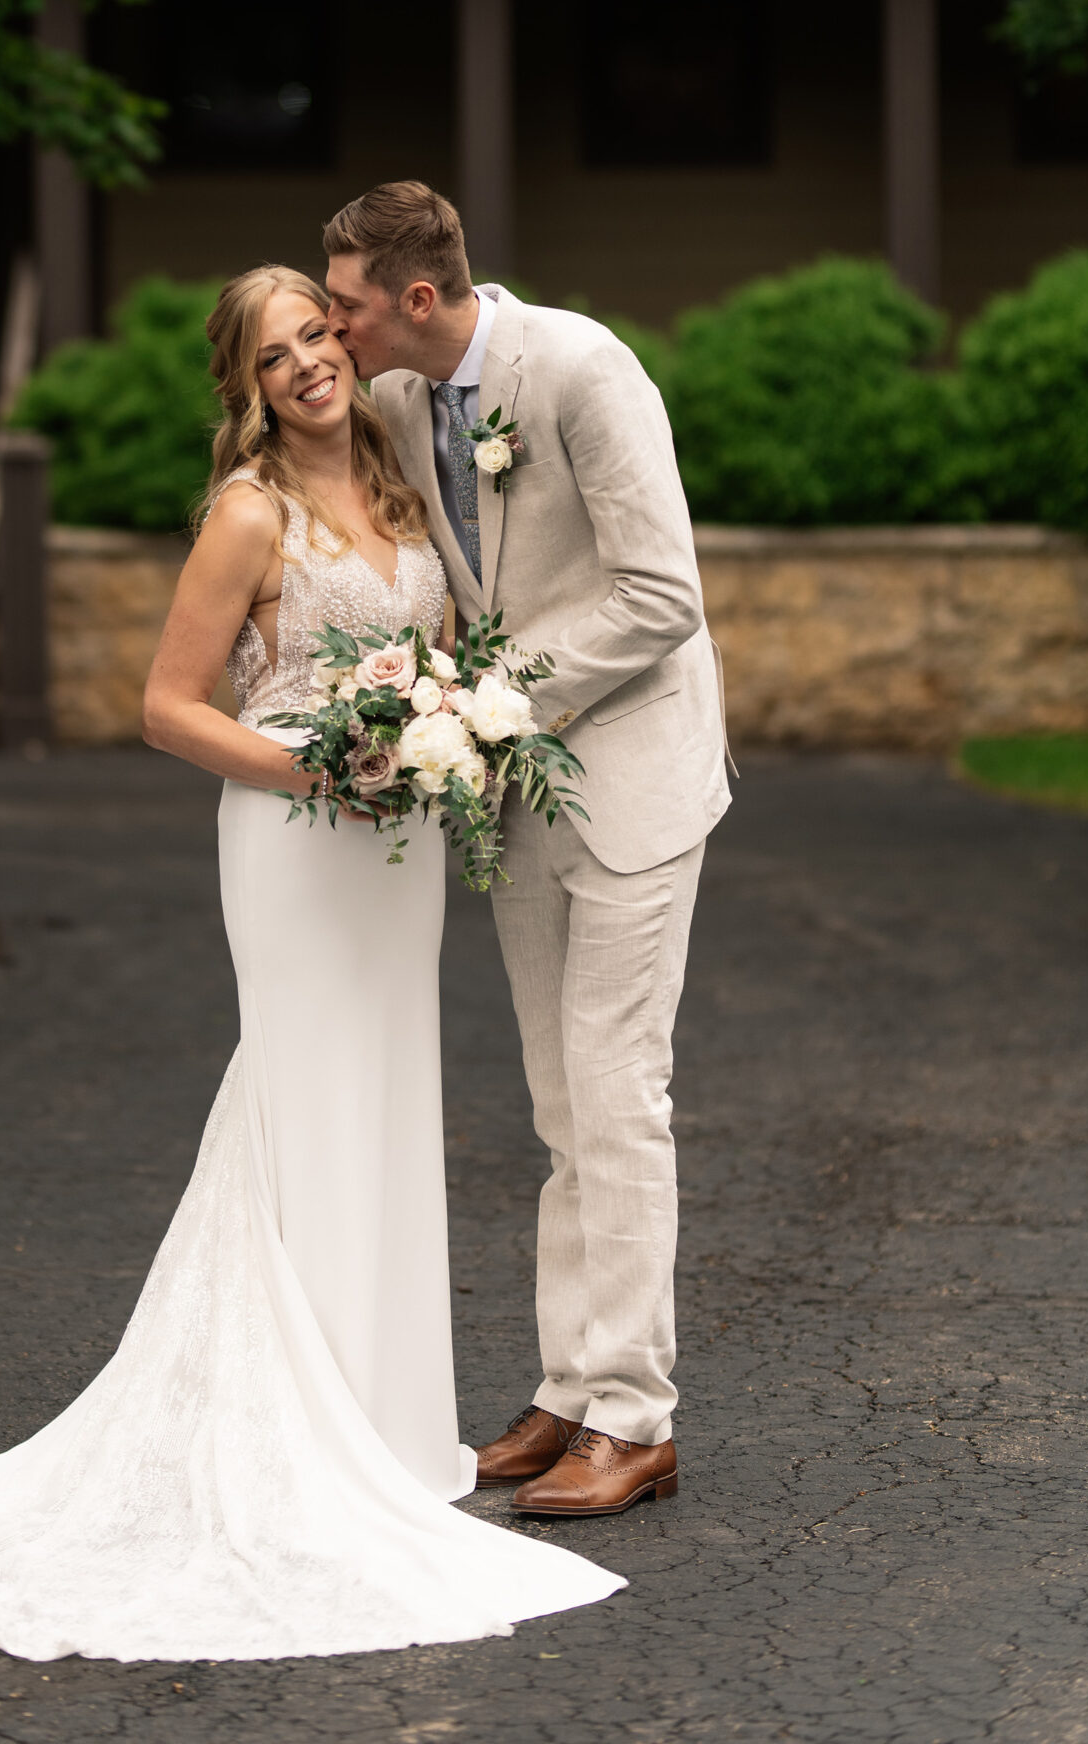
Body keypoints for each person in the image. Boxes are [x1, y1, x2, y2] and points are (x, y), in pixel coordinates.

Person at [0, 264, 617, 1661]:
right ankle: (291, 1441)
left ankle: (384, 1428)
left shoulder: (399, 483)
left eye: (318, 333)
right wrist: (324, 771)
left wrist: (435, 732)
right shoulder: (247, 513)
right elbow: (163, 708)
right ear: (247, 386)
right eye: (276, 355)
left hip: (400, 853)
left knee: (389, 1105)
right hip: (297, 838)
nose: (310, 363)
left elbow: (443, 653)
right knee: (305, 1102)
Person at [324, 185, 731, 1520]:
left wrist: (493, 703)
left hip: (631, 781)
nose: (335, 327)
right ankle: (571, 1389)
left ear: (420, 302)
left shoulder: (582, 367)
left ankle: (636, 1417)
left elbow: (662, 594)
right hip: (513, 790)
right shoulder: (396, 400)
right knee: (563, 1108)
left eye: (348, 305)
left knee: (619, 1093)